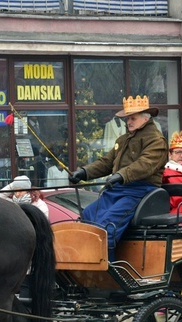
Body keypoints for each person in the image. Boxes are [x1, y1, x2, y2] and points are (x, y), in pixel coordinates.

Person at [69, 95, 167, 260]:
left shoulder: (157, 140)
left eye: (132, 118)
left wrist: (121, 175)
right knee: (88, 215)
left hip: (140, 191)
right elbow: (107, 162)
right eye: (128, 118)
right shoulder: (123, 139)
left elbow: (145, 164)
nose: (128, 121)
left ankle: (110, 270)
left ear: (145, 118)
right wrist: (84, 172)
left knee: (107, 225)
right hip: (118, 189)